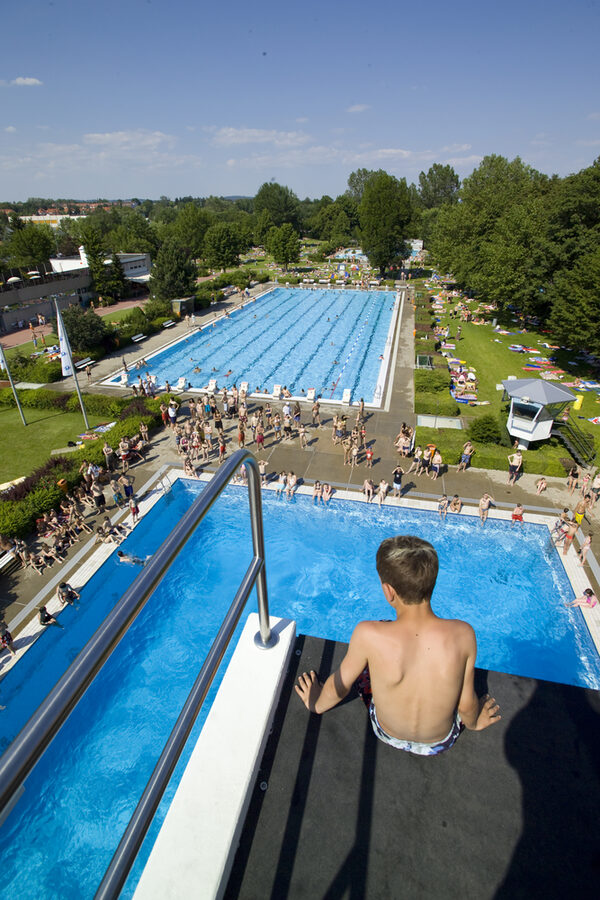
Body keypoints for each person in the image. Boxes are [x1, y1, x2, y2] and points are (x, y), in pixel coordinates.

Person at [295, 535, 500, 756]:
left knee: (370, 655)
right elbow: (466, 704)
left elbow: (340, 686)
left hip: (387, 733)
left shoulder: (368, 634)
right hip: (441, 741)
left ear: (388, 591)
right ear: (432, 583)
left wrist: (316, 703)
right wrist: (475, 723)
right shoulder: (463, 634)